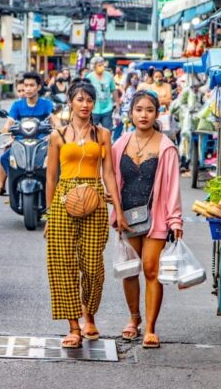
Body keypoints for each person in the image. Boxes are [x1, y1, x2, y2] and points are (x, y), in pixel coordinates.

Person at [45, 78, 130, 348]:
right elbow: (50, 178)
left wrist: (118, 210)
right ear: (70, 102)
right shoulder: (57, 136)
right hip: (63, 200)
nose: (85, 104)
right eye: (80, 99)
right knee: (63, 264)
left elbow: (109, 173)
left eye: (89, 100)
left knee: (93, 265)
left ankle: (89, 315)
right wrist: (49, 215)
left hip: (94, 199)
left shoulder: (102, 134)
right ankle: (73, 325)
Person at [111, 90, 183, 349]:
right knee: (130, 272)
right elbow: (110, 177)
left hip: (157, 218)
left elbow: (174, 185)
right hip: (126, 216)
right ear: (131, 114)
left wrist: (175, 220)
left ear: (157, 114)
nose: (144, 114)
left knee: (152, 270)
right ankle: (134, 319)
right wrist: (113, 204)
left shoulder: (166, 147)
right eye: (139, 109)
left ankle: (150, 328)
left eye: (149, 110)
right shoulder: (120, 144)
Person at [0, 72, 59, 197]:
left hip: (42, 142)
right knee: (5, 157)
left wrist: (55, 132)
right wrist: (6, 130)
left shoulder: (47, 104)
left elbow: (56, 121)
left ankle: (59, 187)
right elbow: (8, 123)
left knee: (58, 158)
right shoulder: (17, 105)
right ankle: (1, 185)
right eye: (26, 85)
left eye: (31, 85)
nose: (28, 89)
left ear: (38, 87)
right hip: (20, 142)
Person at [86, 57, 120, 131]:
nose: (101, 67)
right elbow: (86, 92)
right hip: (94, 109)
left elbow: (113, 90)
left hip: (107, 108)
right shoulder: (89, 77)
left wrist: (117, 103)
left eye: (102, 65)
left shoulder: (109, 76)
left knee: (107, 130)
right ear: (94, 66)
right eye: (99, 65)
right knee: (91, 130)